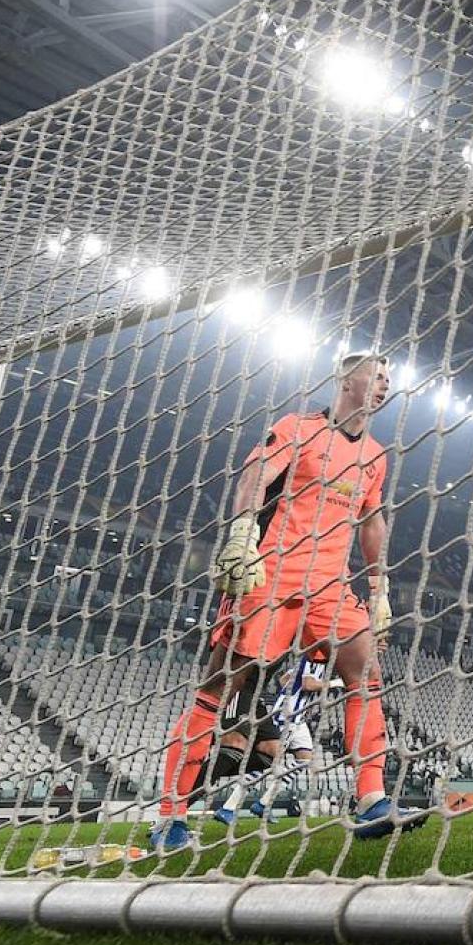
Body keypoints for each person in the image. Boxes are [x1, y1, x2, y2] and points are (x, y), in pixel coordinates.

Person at [152, 351, 420, 852]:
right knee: (218, 688)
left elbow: (371, 522)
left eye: (389, 379)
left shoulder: (377, 456)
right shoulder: (297, 428)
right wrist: (239, 537)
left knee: (366, 672)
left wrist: (379, 589)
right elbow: (255, 477)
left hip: (329, 585)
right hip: (271, 577)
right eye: (377, 376)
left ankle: (372, 800)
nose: (385, 386)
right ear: (347, 378)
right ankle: (171, 816)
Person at [213, 648, 345, 825]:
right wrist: (335, 683)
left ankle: (263, 805)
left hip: (298, 718)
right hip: (288, 715)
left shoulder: (311, 662)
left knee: (305, 759)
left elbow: (284, 679)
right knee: (267, 759)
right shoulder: (313, 659)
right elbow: (308, 684)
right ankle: (228, 807)